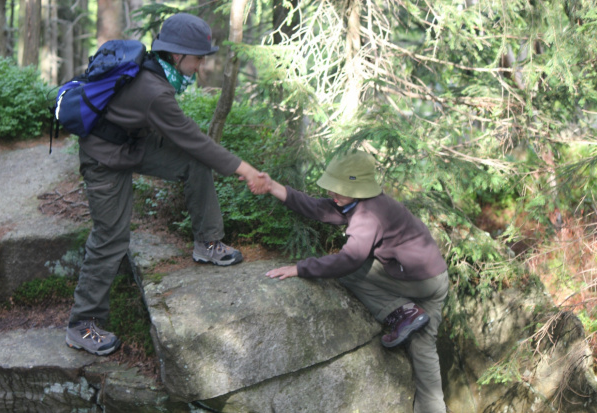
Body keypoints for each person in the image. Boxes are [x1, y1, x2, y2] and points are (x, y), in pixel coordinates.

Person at [66, 13, 268, 356]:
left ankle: (208, 242)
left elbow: (189, 146)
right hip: (103, 157)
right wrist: (245, 169)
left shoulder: (156, 72)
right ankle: (81, 324)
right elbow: (194, 139)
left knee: (193, 162)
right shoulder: (155, 90)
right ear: (177, 56)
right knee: (111, 237)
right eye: (198, 58)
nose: (201, 66)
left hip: (129, 145)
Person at [260, 150, 449, 413]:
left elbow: (349, 259)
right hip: (437, 278)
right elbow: (319, 208)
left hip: (416, 279)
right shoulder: (361, 203)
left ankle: (401, 311)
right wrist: (273, 187)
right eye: (334, 188)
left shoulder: (368, 214)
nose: (334, 194)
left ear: (359, 188)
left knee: (348, 270)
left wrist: (301, 268)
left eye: (341, 189)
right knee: (423, 346)